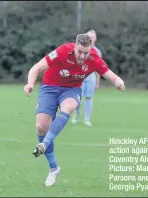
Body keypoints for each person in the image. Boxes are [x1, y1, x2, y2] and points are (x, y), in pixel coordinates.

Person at [24, 34, 125, 187]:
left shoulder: (94, 58)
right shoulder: (63, 51)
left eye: (86, 53)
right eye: (80, 52)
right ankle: (54, 168)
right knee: (41, 127)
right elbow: (36, 68)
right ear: (75, 47)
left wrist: (118, 82)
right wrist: (30, 84)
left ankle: (44, 144)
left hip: (71, 90)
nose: (83, 56)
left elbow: (110, 74)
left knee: (69, 106)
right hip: (50, 87)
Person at [72, 29, 102, 126]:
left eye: (92, 37)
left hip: (90, 78)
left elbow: (99, 68)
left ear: (95, 38)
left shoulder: (97, 52)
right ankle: (76, 115)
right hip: (79, 77)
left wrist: (97, 81)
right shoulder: (79, 49)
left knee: (88, 98)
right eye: (89, 37)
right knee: (77, 98)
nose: (91, 39)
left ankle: (87, 119)